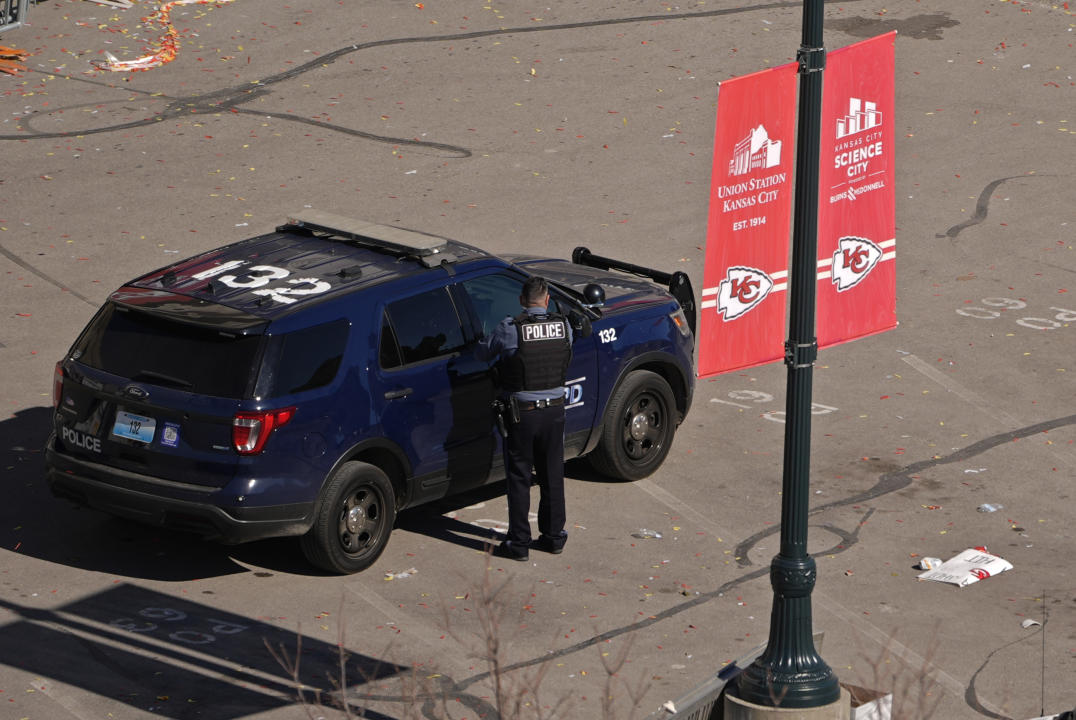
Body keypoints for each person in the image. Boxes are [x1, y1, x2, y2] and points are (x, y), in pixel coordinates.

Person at [477, 276, 572, 561]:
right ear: (546, 300)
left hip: (523, 415)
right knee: (552, 475)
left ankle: (519, 543)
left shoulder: (511, 329)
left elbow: (483, 353)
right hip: (555, 412)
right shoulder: (563, 326)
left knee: (519, 477)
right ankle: (554, 538)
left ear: (522, 300)